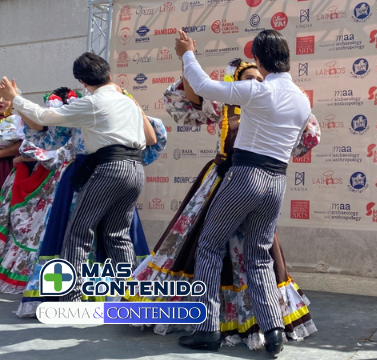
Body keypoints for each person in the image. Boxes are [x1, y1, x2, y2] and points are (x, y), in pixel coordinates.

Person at [125, 57, 319, 350]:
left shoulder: (266, 97)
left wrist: (187, 55)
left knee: (242, 252)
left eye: (257, 76)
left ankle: (228, 327)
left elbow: (309, 135)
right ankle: (258, 328)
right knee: (235, 251)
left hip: (245, 178)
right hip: (233, 180)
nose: (253, 82)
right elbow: (190, 100)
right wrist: (186, 60)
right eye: (247, 78)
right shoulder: (233, 101)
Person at [174, 29, 312, 357]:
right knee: (258, 255)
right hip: (277, 180)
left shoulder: (258, 91)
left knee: (208, 245)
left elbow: (205, 87)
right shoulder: (302, 99)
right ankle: (274, 330)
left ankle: (206, 329)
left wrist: (187, 54)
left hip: (246, 175)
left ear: (260, 60)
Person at [0, 86, 166, 315]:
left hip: (105, 171)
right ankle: (123, 297)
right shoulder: (91, 106)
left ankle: (83, 297)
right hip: (97, 174)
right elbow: (46, 130)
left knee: (89, 233)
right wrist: (17, 101)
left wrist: (17, 99)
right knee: (110, 234)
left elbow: (151, 137)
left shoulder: (114, 105)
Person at [0, 90, 25, 186]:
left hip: (7, 166)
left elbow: (24, 144)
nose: (1, 101)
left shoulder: (18, 121)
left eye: (6, 97)